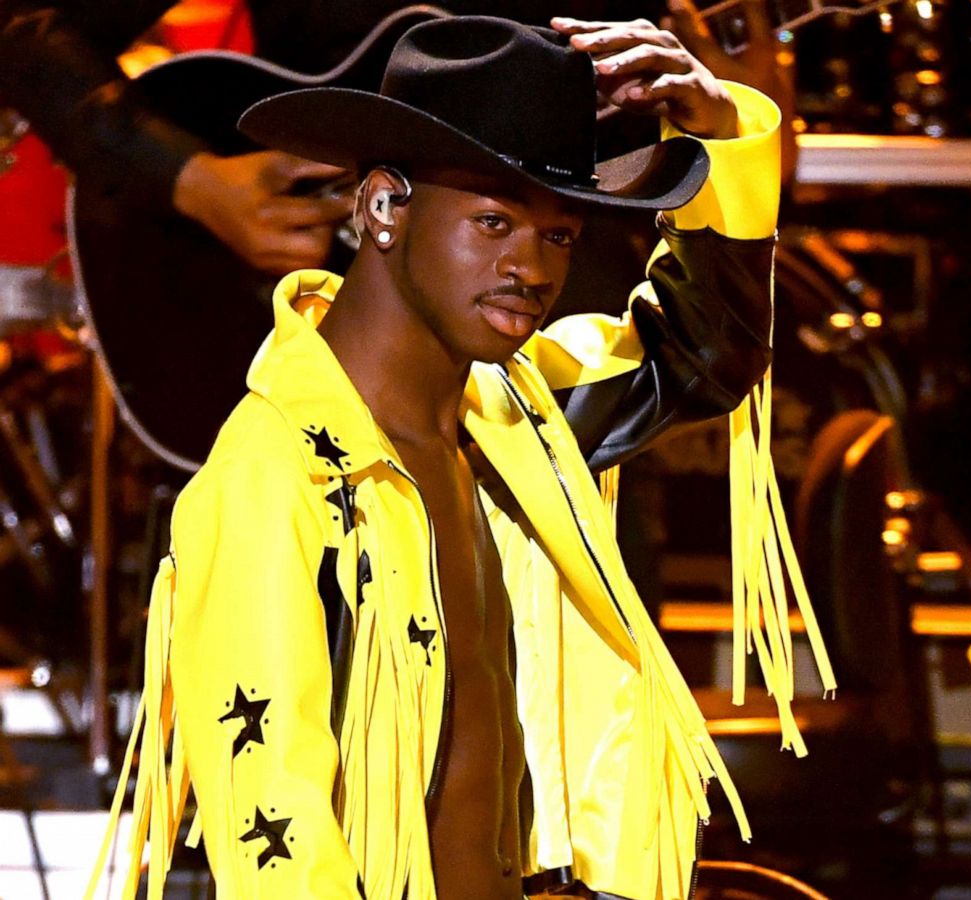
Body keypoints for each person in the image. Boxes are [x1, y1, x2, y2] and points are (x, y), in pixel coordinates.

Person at [89, 14, 827, 900]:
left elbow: (703, 354)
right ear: (383, 208)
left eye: (559, 235)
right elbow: (275, 823)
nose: (531, 267)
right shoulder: (279, 477)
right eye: (492, 221)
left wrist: (715, 132)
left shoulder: (517, 418)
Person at [0, 0, 795, 279]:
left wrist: (734, 109)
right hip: (305, 360)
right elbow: (29, 30)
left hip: (566, 368)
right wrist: (193, 180)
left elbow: (760, 176)